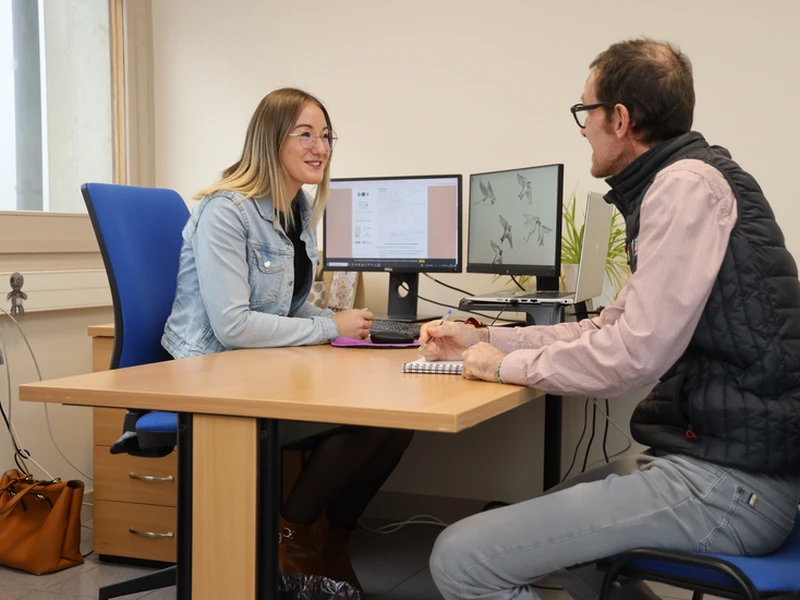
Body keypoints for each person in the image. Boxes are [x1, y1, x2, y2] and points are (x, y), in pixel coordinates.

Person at [424, 38, 800, 600]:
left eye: (585, 112)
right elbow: (607, 328)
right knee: (559, 549)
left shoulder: (684, 187)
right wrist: (483, 337)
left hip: (733, 486)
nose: (582, 128)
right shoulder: (687, 180)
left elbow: (633, 354)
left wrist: (504, 369)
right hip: (727, 466)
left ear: (619, 119)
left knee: (460, 559)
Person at [161, 87, 413, 594]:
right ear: (270, 139)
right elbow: (232, 325)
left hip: (257, 368)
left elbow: (287, 305)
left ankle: (330, 546)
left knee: (395, 423)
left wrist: (345, 323)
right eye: (305, 134)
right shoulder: (225, 212)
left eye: (326, 136)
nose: (320, 146)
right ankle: (290, 539)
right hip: (209, 374)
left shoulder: (295, 207)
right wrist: (326, 329)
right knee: (364, 425)